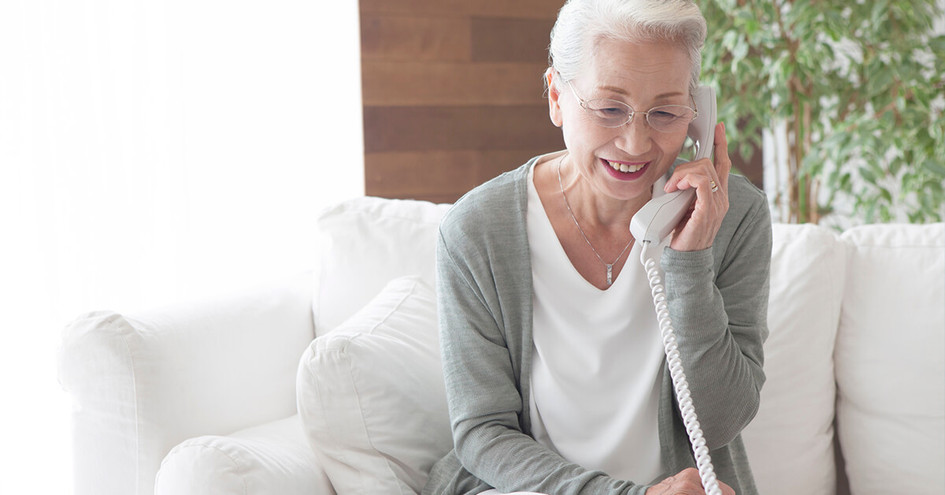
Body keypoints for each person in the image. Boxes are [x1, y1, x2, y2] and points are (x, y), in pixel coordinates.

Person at [422, 0, 772, 493]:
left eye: (665, 112)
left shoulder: (734, 215)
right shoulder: (476, 230)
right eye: (609, 109)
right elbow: (483, 433)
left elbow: (719, 424)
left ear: (696, 114)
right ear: (556, 97)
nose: (635, 143)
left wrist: (690, 265)